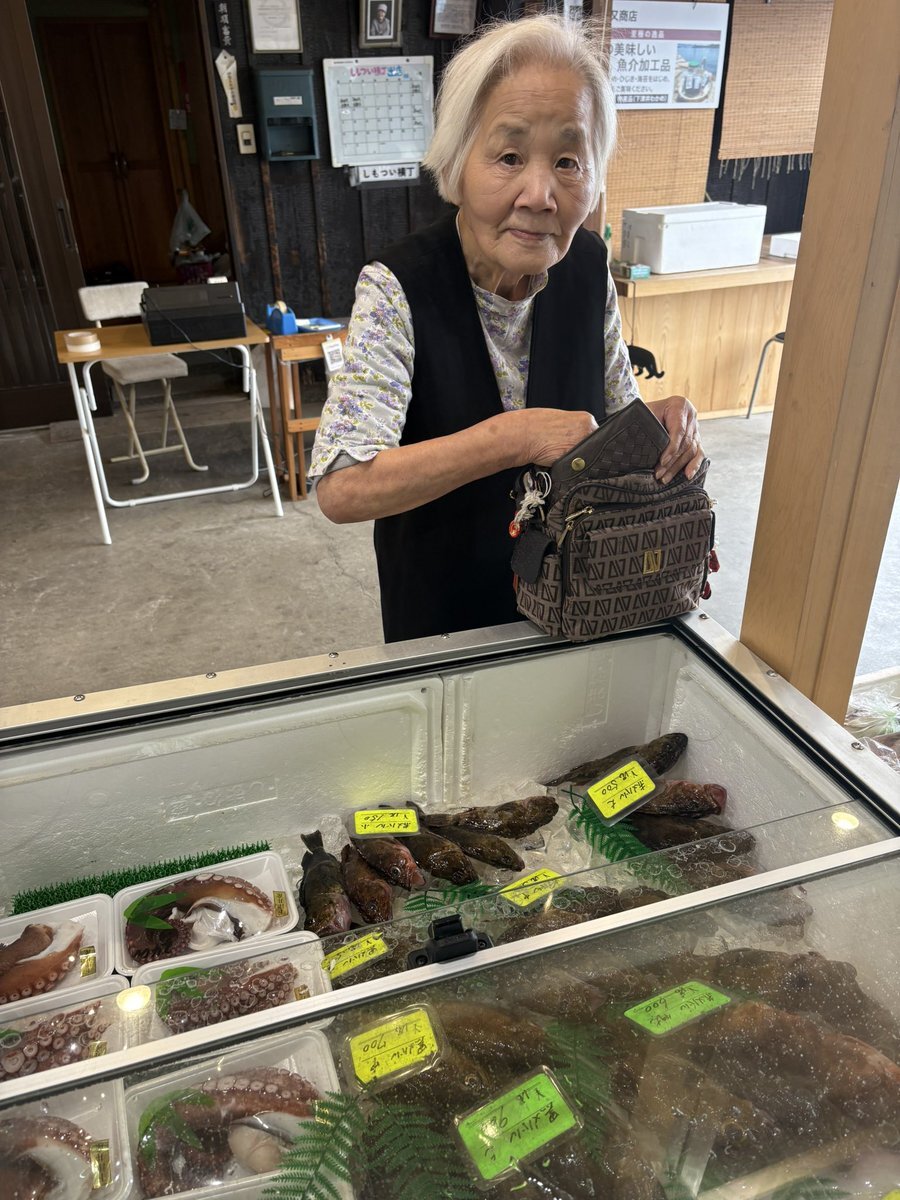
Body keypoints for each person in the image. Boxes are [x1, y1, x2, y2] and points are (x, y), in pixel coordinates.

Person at [311, 15, 703, 643]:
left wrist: (657, 428)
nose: (540, 194)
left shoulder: (586, 267)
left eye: (569, 160)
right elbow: (343, 487)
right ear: (458, 161)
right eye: (510, 156)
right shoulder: (397, 286)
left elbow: (610, 423)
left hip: (580, 611)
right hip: (447, 628)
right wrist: (513, 437)